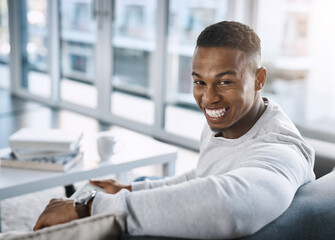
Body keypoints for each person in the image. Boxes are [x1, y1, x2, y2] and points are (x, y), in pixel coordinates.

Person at [33, 21, 315, 239]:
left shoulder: (281, 150)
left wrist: (89, 208)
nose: (208, 98)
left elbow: (225, 206)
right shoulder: (231, 122)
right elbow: (205, 174)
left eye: (225, 82)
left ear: (259, 79)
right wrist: (131, 187)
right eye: (199, 82)